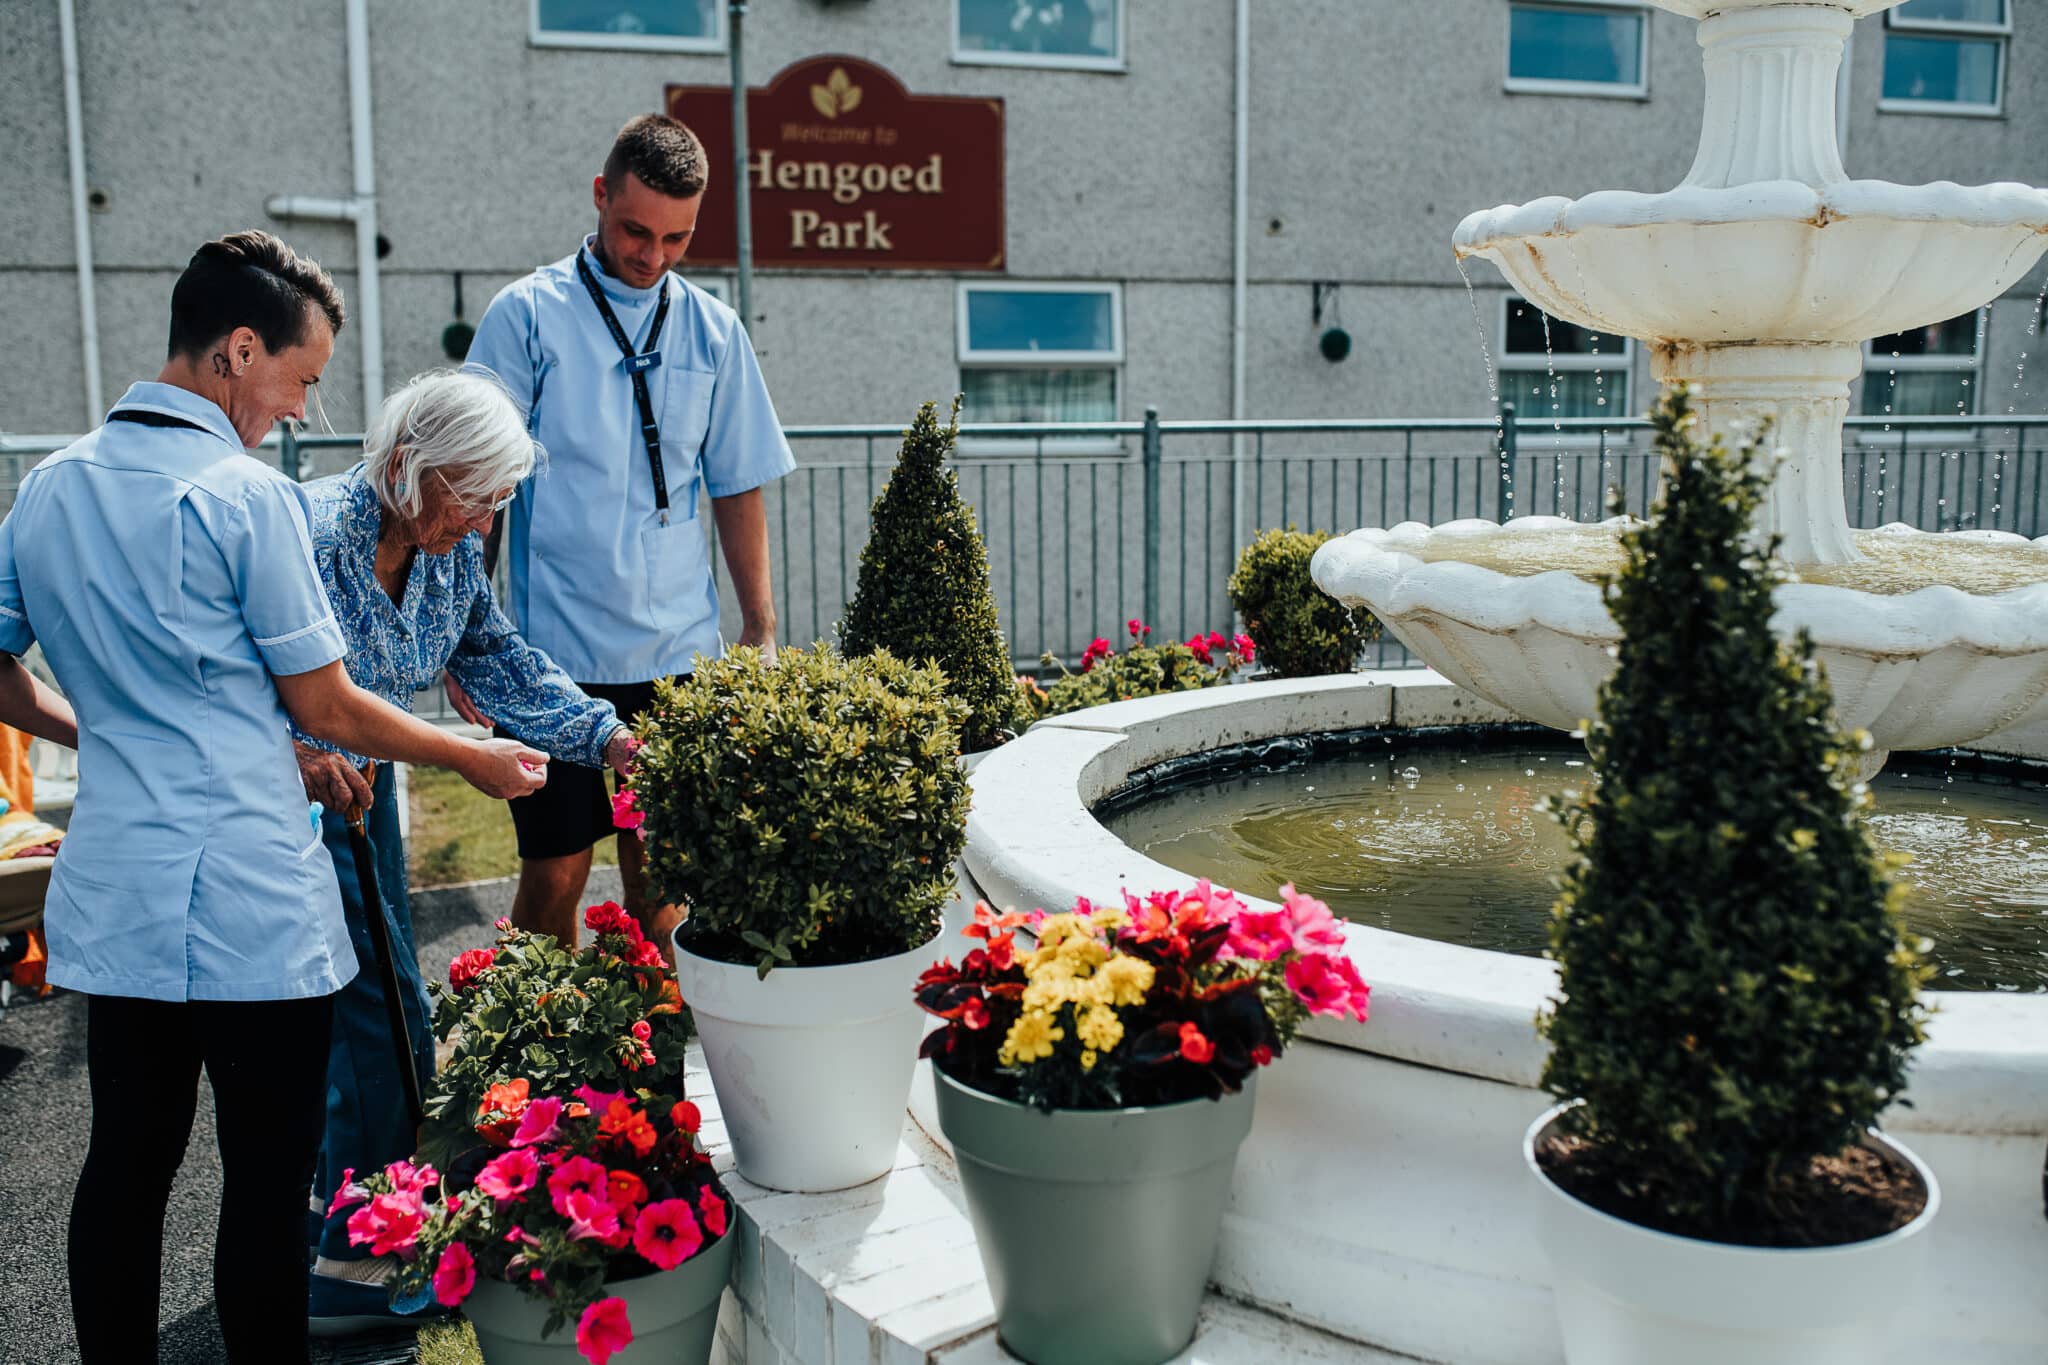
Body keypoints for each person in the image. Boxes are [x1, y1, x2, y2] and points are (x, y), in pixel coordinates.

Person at [0, 230, 547, 1365]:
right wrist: (470, 759)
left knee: (127, 1166)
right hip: (250, 900)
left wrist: (91, 727)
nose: (300, 408)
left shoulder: (47, 489)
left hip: (117, 894)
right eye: (298, 379)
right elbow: (331, 705)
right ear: (236, 350)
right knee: (260, 1185)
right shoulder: (247, 500)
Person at [295, 368, 636, 1331]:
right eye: (474, 497)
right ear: (407, 466)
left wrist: (605, 736)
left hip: (368, 790)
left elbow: (496, 659)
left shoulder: (446, 552)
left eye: (499, 503)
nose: (484, 524)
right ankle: (355, 1284)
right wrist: (300, 748)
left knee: (370, 1011)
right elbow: (239, 670)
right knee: (382, 1019)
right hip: (285, 798)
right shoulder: (313, 537)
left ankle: (340, 1227)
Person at [461, 113, 794, 954]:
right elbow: (477, 491)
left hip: (680, 655)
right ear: (601, 196)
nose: (652, 255)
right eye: (635, 230)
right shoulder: (527, 316)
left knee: (664, 879)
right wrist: (466, 638)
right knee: (556, 875)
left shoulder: (715, 331)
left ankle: (657, 1057)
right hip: (554, 658)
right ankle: (539, 1061)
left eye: (676, 238)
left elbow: (737, 482)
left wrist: (759, 627)